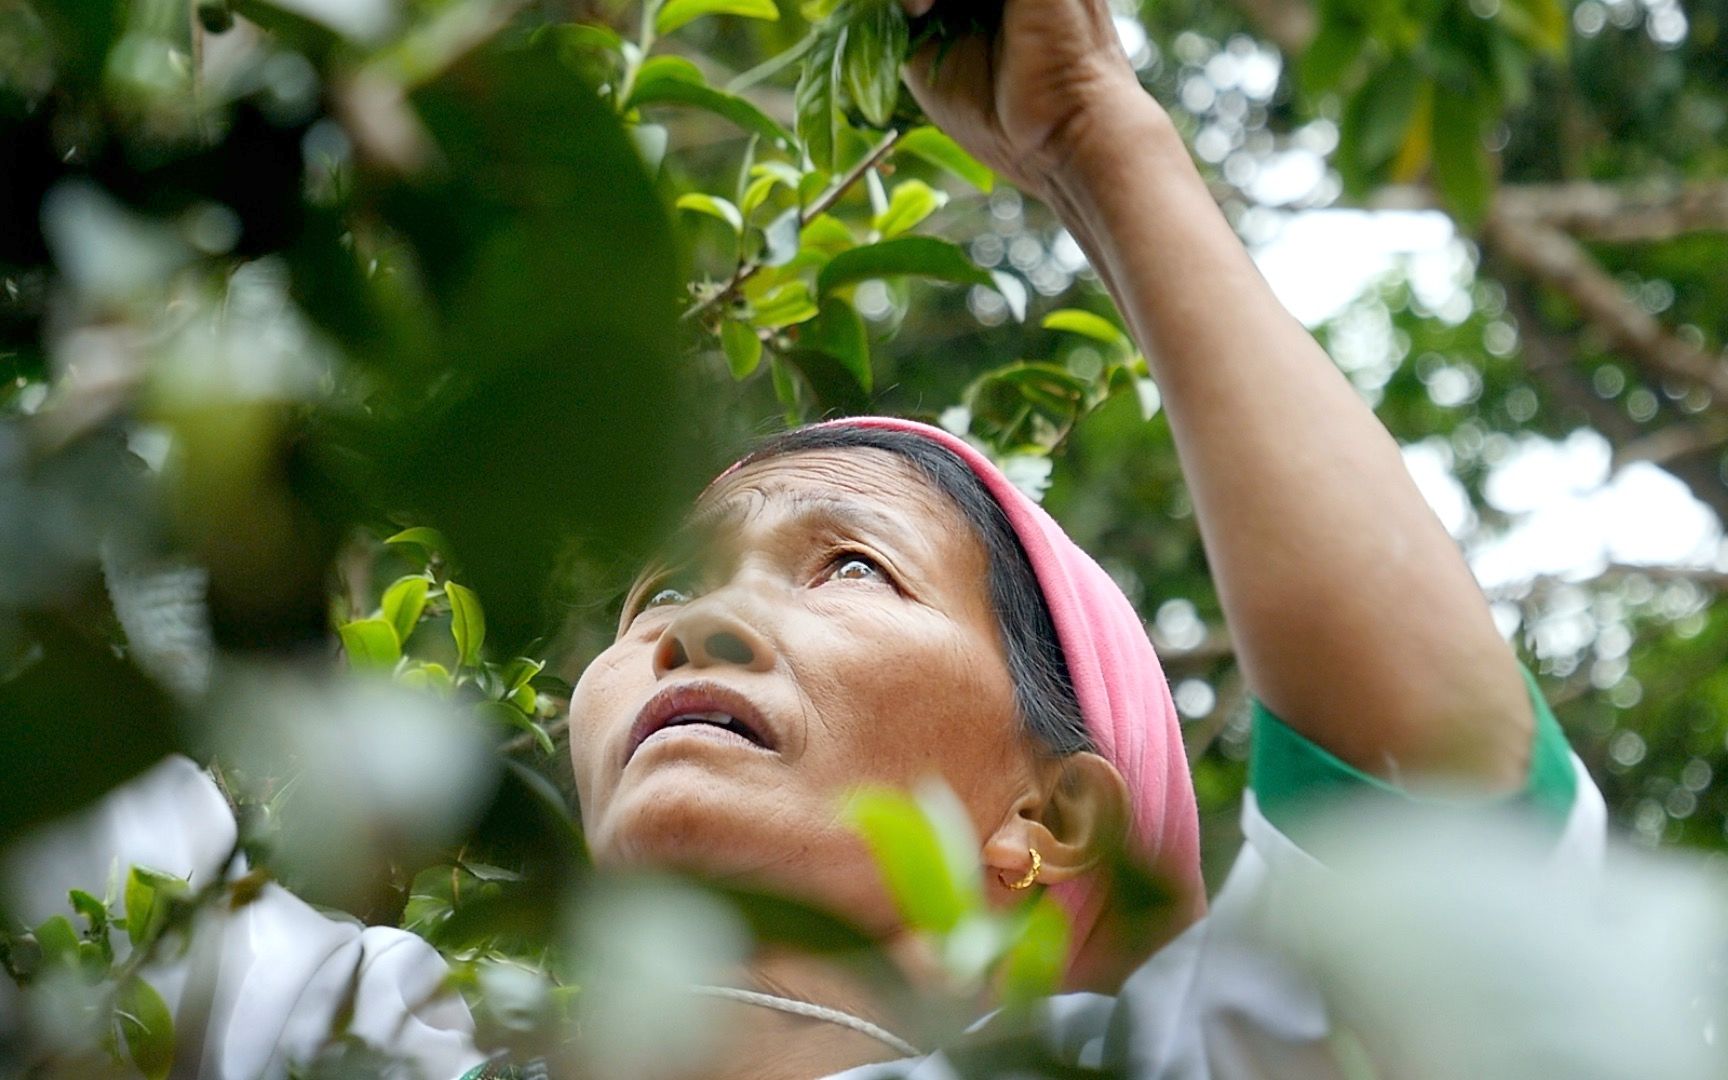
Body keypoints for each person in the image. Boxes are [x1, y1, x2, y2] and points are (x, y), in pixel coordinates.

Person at [1, 0, 1611, 1075]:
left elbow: (1441, 800)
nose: (686, 632)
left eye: (851, 565)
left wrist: (1090, 134)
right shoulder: (343, 1037)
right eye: (659, 594)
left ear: (1050, 822)